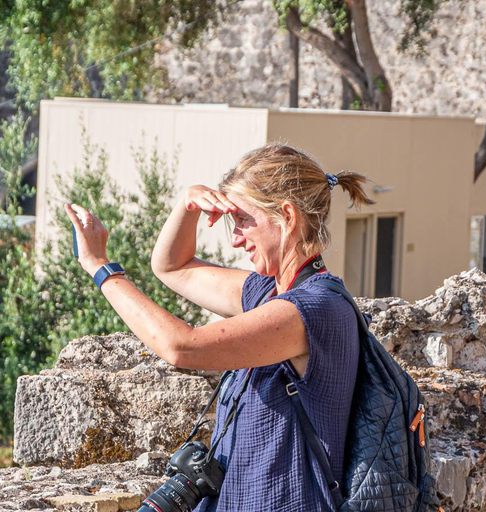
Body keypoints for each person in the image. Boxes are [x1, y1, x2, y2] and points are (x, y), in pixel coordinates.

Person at [65, 143, 374, 511]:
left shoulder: (311, 310)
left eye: (244, 221)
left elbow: (182, 347)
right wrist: (187, 205)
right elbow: (171, 267)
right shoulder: (269, 292)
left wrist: (101, 268)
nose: (235, 239)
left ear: (287, 216)